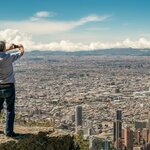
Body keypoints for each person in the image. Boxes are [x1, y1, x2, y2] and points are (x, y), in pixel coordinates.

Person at [0, 41, 24, 137]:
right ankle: (9, 132)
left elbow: (2, 52)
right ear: (4, 48)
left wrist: (6, 49)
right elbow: (21, 52)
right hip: (9, 86)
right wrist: (19, 46)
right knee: (10, 110)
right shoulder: (9, 57)